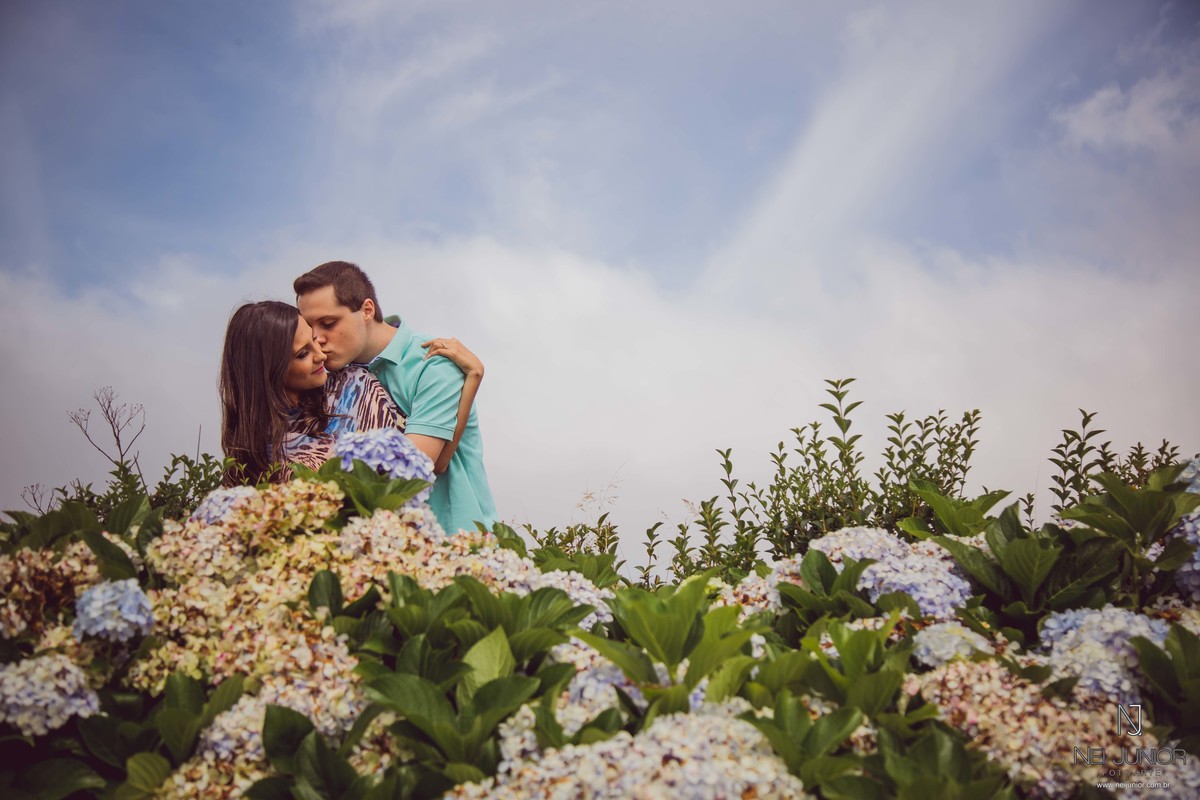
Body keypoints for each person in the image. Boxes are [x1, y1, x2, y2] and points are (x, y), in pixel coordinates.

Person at [294, 261, 497, 533]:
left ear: (367, 310)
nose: (316, 339)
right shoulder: (326, 374)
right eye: (309, 327)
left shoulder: (433, 363)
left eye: (328, 323)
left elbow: (418, 465)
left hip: (453, 539)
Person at [218, 300, 482, 486]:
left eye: (314, 339)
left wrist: (474, 376)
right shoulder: (251, 447)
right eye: (302, 354)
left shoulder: (354, 387)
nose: (320, 354)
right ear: (268, 372)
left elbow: (423, 465)